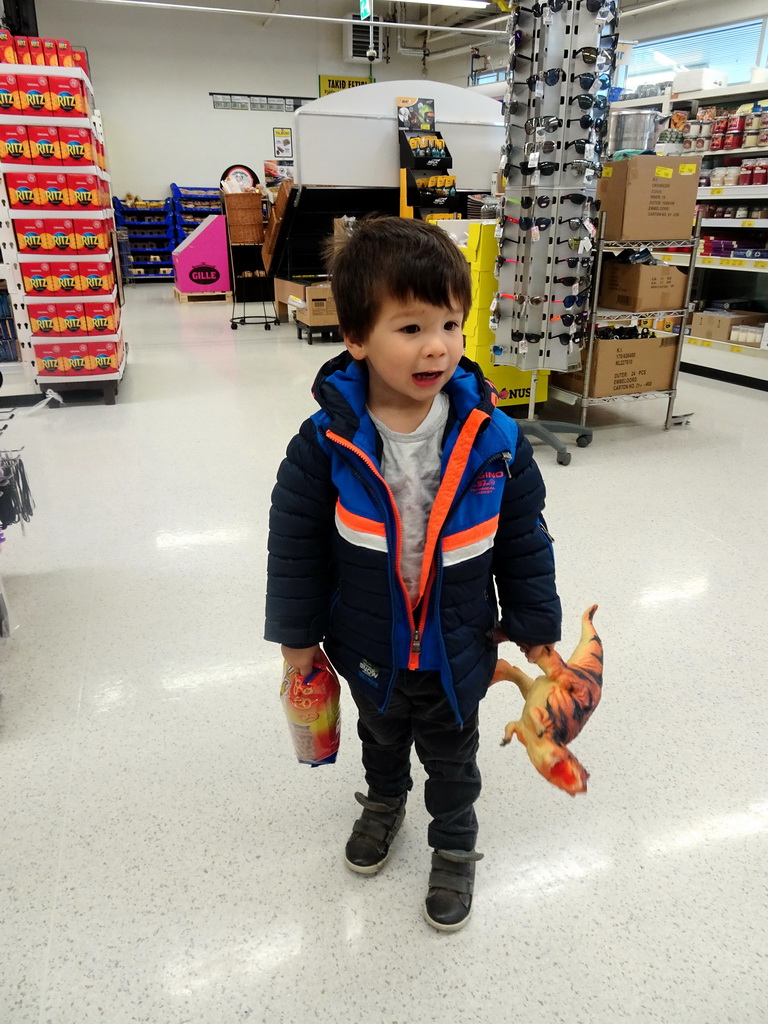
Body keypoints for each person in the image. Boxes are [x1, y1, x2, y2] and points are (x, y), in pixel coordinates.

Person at [265, 215, 561, 932]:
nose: (437, 346)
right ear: (357, 338)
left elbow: (523, 537)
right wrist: (297, 640)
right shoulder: (325, 443)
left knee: (453, 758)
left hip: (459, 642)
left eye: (451, 324)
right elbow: (295, 546)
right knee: (381, 737)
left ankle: (455, 846)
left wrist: (534, 630)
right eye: (410, 328)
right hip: (366, 638)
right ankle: (384, 803)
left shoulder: (494, 437)